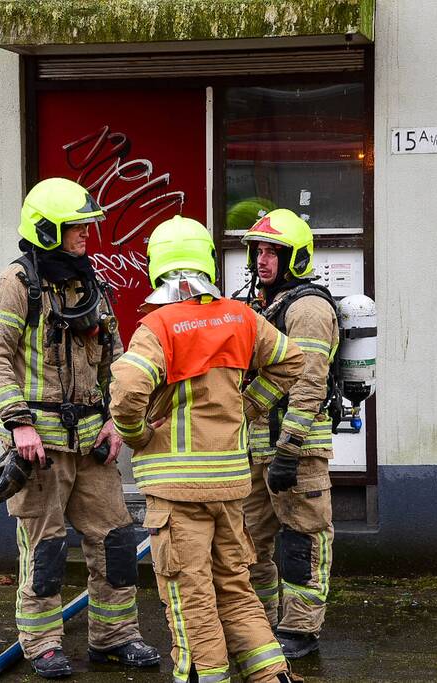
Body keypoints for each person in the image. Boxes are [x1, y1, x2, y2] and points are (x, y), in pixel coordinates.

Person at [110, 215, 305, 683]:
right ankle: (272, 676)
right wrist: (248, 406)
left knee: (190, 596)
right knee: (236, 589)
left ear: (158, 265)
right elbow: (291, 360)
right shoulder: (240, 317)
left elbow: (127, 392)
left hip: (177, 491)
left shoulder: (158, 326)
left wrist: (138, 436)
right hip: (230, 485)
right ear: (207, 262)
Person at [0, 177, 159, 679]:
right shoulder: (14, 285)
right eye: (76, 227)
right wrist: (19, 424)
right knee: (47, 548)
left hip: (93, 444)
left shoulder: (88, 283)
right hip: (40, 448)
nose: (85, 234)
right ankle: (42, 644)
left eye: (85, 226)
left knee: (115, 540)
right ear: (47, 230)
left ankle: (115, 637)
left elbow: (116, 359)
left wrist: (117, 421)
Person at [239, 209, 340, 659]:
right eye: (258, 251)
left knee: (302, 539)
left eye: (273, 252)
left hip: (297, 451)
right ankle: (256, 624)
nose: (262, 260)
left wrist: (289, 448)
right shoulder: (264, 305)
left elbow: (309, 382)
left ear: (295, 258)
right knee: (247, 542)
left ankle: (300, 629)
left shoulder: (309, 309)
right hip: (257, 448)